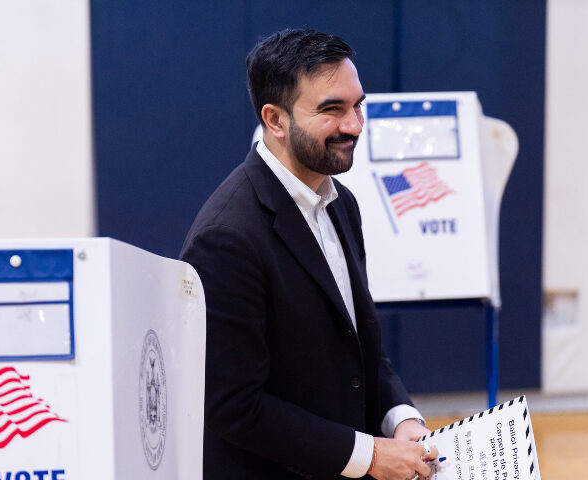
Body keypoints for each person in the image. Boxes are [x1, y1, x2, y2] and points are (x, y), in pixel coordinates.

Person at [180, 29, 439, 480]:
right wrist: (370, 456)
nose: (355, 125)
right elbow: (233, 406)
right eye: (332, 109)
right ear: (275, 120)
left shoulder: (342, 204)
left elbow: (359, 345)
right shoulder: (227, 236)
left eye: (357, 104)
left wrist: (402, 419)